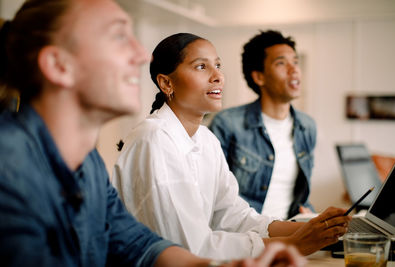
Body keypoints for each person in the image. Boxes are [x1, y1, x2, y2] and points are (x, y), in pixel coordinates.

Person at [0, 1, 307, 266]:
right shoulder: (8, 168)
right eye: (119, 36)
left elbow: (138, 245)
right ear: (58, 65)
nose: (141, 54)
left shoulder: (88, 163)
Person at [112, 32, 350, 261]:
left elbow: (234, 216)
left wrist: (315, 228)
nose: (218, 76)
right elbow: (190, 249)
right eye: (201, 66)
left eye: (218, 65)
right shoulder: (154, 139)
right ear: (166, 83)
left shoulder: (206, 139)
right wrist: (295, 244)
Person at [209, 30, 315, 220]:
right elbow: (211, 194)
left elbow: (300, 195)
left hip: (290, 235)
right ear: (259, 77)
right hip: (243, 237)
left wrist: (309, 215)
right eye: (281, 63)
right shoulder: (227, 124)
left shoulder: (307, 126)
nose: (294, 69)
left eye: (295, 62)